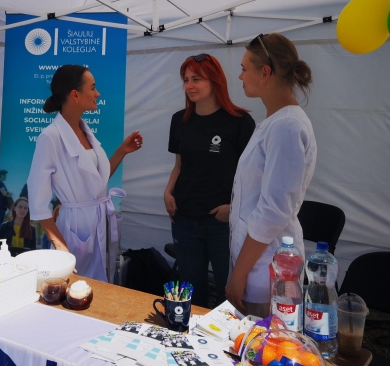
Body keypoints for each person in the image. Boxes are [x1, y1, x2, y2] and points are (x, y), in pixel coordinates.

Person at [226, 33, 316, 316]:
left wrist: (239, 274)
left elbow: (273, 211)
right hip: (256, 260)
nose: (240, 76)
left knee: (262, 339)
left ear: (265, 73)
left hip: (266, 269)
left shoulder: (287, 126)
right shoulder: (274, 122)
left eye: (244, 68)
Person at [27, 64, 143, 281]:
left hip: (101, 221)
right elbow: (38, 203)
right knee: (74, 288)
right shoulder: (50, 138)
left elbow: (97, 183)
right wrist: (61, 246)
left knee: (102, 285)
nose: (98, 94)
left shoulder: (84, 131)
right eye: (92, 87)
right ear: (75, 95)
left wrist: (122, 151)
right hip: (74, 228)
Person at [165, 53, 255, 308]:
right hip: (184, 218)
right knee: (192, 292)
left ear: (215, 81)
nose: (189, 85)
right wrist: (168, 192)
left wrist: (233, 208)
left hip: (222, 222)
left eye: (196, 79)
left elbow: (251, 176)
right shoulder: (179, 120)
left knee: (230, 292)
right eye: (186, 80)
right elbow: (180, 165)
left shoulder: (239, 121)